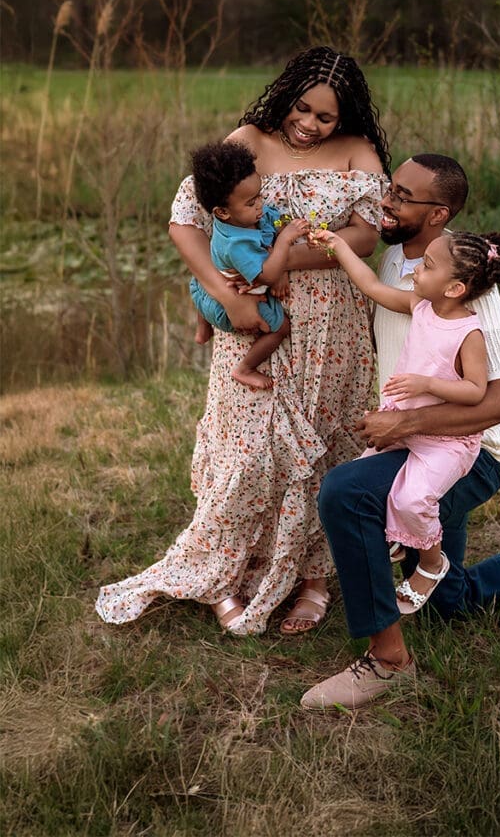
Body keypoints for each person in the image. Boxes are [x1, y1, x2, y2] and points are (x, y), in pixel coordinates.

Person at [300, 154, 500, 710]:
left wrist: (407, 420)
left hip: (465, 454)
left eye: (402, 195)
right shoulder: (402, 262)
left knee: (346, 493)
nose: (387, 201)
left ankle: (387, 661)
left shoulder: (470, 291)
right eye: (390, 189)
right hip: (413, 444)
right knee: (451, 605)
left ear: (439, 213)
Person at [96, 46, 390, 637]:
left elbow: (367, 234)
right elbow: (187, 218)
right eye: (301, 109)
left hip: (333, 321)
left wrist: (288, 260)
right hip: (254, 317)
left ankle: (312, 577)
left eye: (325, 117)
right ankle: (224, 574)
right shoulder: (248, 140)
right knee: (244, 449)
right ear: (285, 98)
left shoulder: (360, 153)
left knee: (327, 444)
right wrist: (227, 296)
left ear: (346, 117)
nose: (308, 124)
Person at [312, 224, 500, 612]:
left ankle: (431, 562)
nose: (414, 272)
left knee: (411, 499)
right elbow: (371, 286)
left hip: (447, 440)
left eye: (426, 266)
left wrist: (427, 383)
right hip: (406, 430)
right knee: (362, 480)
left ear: (455, 288)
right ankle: (399, 538)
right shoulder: (419, 306)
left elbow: (476, 391)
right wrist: (338, 245)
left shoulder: (469, 331)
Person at [188, 139, 310, 389]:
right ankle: (245, 368)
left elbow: (275, 222)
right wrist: (285, 242)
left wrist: (280, 230)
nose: (261, 206)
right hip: (232, 305)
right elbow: (266, 275)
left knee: (199, 280)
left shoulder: (243, 218)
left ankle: (202, 329)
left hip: (206, 288)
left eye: (260, 196)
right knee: (281, 328)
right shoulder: (237, 244)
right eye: (251, 203)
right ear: (222, 212)